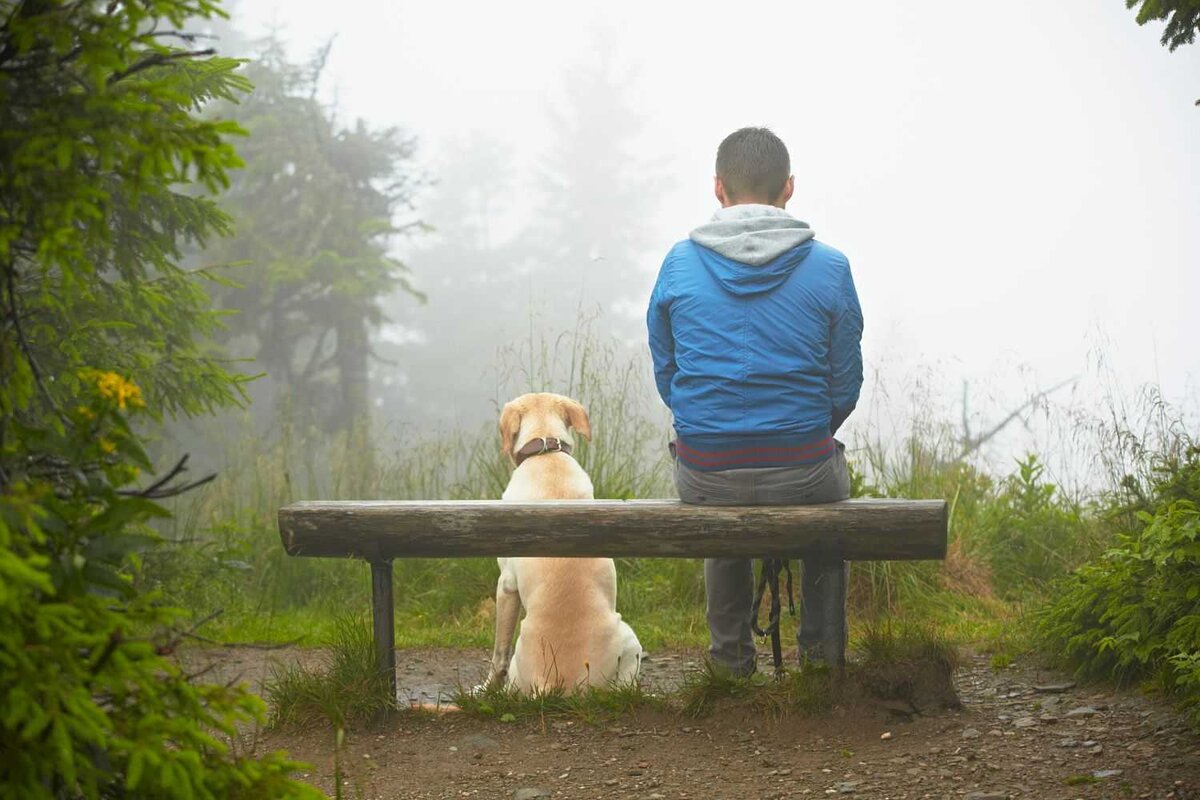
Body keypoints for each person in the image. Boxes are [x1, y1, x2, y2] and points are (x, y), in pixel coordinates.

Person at [646, 126, 864, 675]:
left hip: (706, 471)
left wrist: (710, 423)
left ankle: (730, 664)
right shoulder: (830, 267)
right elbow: (846, 383)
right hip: (805, 471)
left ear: (718, 189)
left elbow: (667, 368)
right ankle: (820, 661)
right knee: (826, 501)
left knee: (716, 484)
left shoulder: (678, 264)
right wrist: (804, 430)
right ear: (788, 188)